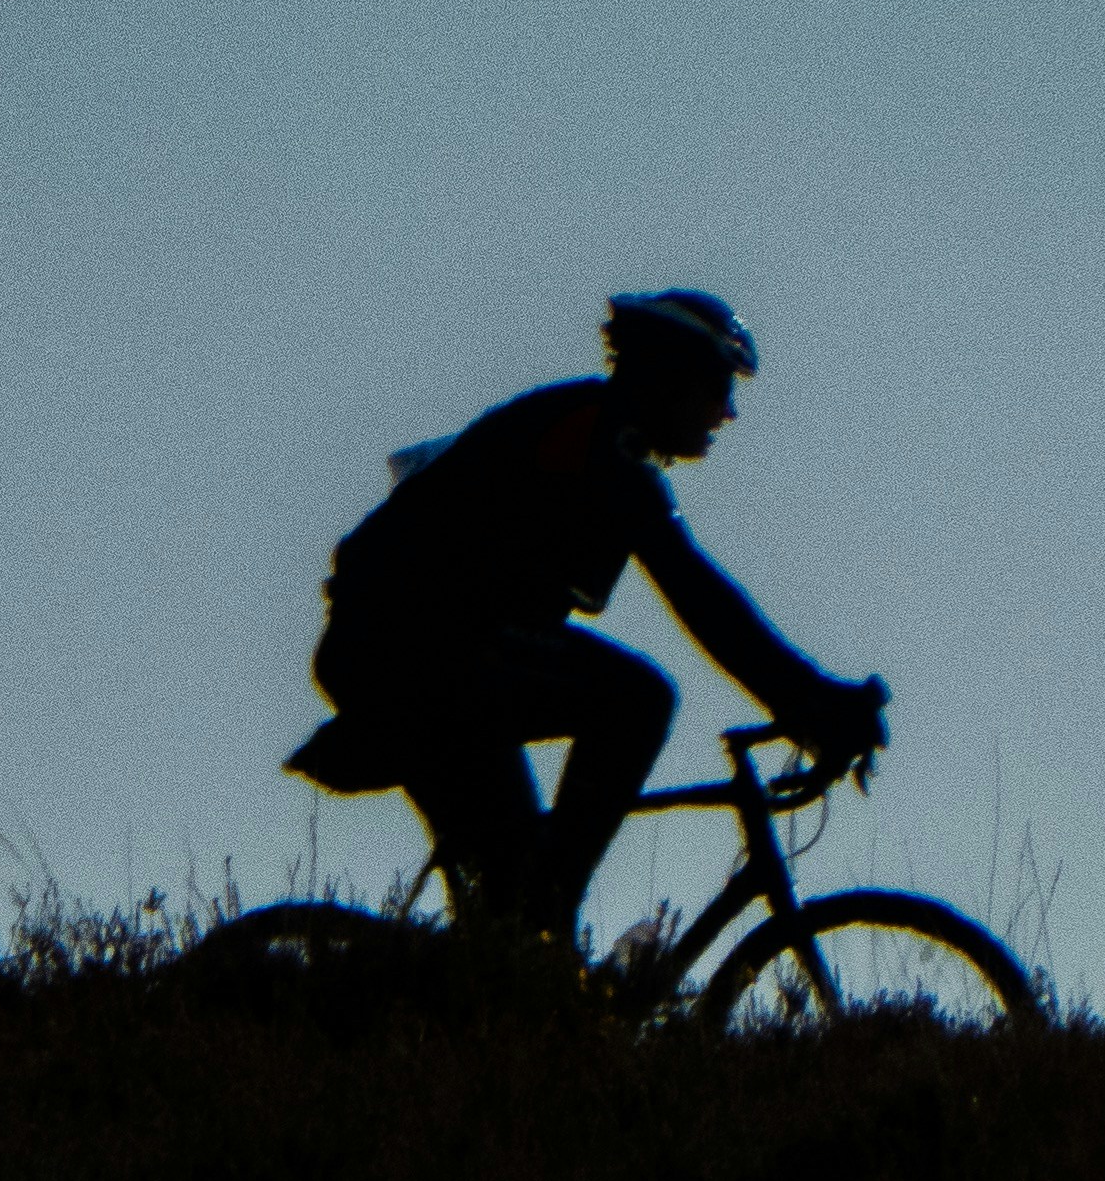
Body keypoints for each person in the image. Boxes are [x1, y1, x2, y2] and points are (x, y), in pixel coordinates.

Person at [285, 291, 888, 942]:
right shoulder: (600, 442)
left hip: (422, 655)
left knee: (508, 903)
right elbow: (699, 595)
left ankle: (515, 959)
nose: (728, 412)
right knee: (638, 699)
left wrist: (806, 701)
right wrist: (809, 701)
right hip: (410, 651)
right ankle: (540, 924)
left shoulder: (597, 436)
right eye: (718, 389)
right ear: (672, 374)